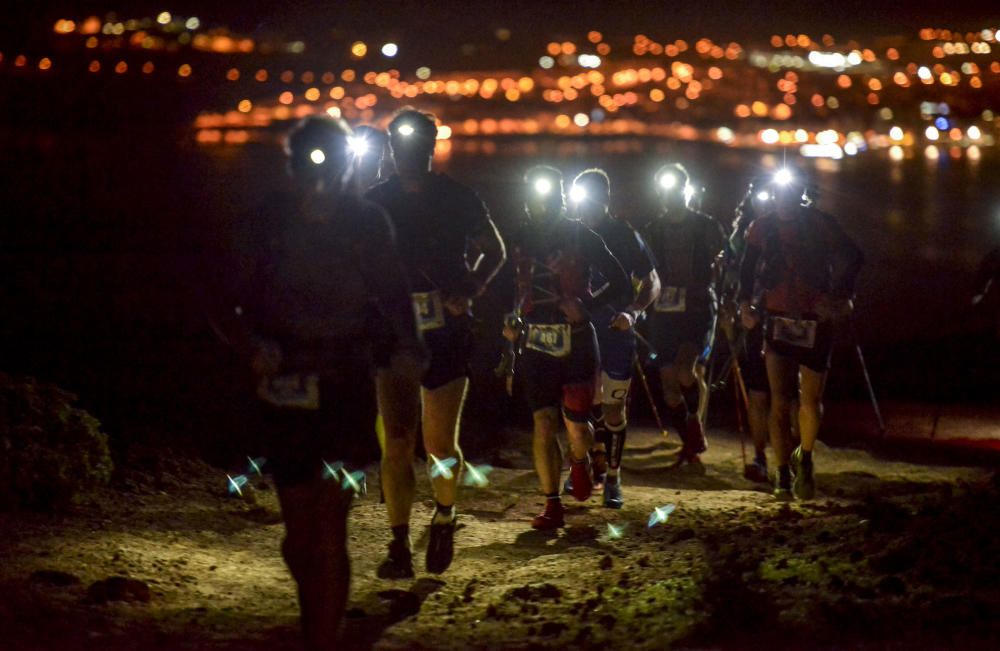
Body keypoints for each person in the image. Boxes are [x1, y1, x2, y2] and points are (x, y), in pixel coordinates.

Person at [212, 116, 425, 649]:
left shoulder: (368, 223)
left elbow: (394, 293)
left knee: (330, 530)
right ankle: (318, 610)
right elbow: (222, 297)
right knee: (301, 536)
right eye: (309, 159)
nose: (321, 172)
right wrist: (250, 347)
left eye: (330, 158)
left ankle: (321, 639)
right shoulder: (264, 224)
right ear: (290, 165)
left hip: (347, 385)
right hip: (285, 391)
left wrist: (407, 347)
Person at [366, 108, 506, 577]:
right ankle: (399, 545)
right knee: (399, 442)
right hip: (393, 335)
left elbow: (496, 248)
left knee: (440, 445)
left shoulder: (458, 197)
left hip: (446, 333)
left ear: (431, 148)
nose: (410, 153)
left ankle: (445, 517)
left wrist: (469, 290)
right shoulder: (373, 202)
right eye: (402, 145)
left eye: (419, 145)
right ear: (391, 148)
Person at [504, 165, 633, 529]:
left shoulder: (583, 236)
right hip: (534, 343)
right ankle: (552, 504)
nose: (537, 203)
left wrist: (586, 307)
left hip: (576, 342)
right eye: (531, 195)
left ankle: (580, 460)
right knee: (543, 422)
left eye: (544, 195)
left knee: (577, 427)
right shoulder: (520, 237)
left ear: (559, 196)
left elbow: (622, 282)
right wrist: (510, 317)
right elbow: (511, 284)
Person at [738, 167, 863, 500]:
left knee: (810, 400)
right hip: (776, 319)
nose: (784, 200)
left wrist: (839, 296)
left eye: (790, 194)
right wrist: (745, 305)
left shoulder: (821, 224)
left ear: (800, 195)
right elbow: (746, 269)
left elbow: (853, 256)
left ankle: (804, 457)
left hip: (814, 320)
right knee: (779, 400)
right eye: (779, 194)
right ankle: (781, 473)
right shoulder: (760, 227)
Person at [569, 169, 660, 508]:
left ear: (605, 199)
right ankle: (587, 463)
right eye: (579, 198)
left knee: (612, 408)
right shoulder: (569, 233)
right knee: (581, 404)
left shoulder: (624, 235)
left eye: (592, 199)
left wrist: (634, 312)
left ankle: (613, 477)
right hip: (579, 336)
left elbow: (652, 281)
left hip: (615, 334)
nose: (585, 208)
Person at [639, 163, 728, 466]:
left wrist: (727, 295)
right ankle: (691, 440)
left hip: (698, 310)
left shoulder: (707, 227)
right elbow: (641, 270)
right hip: (664, 313)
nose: (671, 196)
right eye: (666, 191)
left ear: (685, 191)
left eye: (677, 190)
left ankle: (694, 432)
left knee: (685, 371)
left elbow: (727, 265)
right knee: (668, 389)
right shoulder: (652, 230)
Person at [723, 177, 797, 484]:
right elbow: (732, 270)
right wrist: (734, 307)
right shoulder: (743, 234)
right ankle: (760, 455)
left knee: (790, 394)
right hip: (754, 317)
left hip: (789, 317)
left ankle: (791, 455)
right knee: (758, 393)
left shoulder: (796, 228)